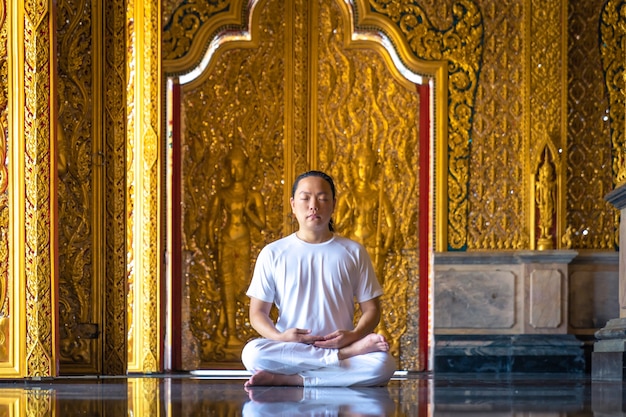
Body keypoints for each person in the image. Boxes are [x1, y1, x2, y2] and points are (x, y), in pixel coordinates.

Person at [241, 170, 396, 387]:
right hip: (291, 349)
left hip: (340, 344)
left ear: (333, 204)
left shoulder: (353, 251)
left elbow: (372, 310)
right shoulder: (273, 253)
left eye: (322, 199)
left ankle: (292, 380)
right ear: (293, 205)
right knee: (252, 354)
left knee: (384, 365)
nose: (314, 205)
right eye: (305, 198)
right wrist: (281, 337)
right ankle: (335, 364)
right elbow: (257, 313)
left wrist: (353, 336)